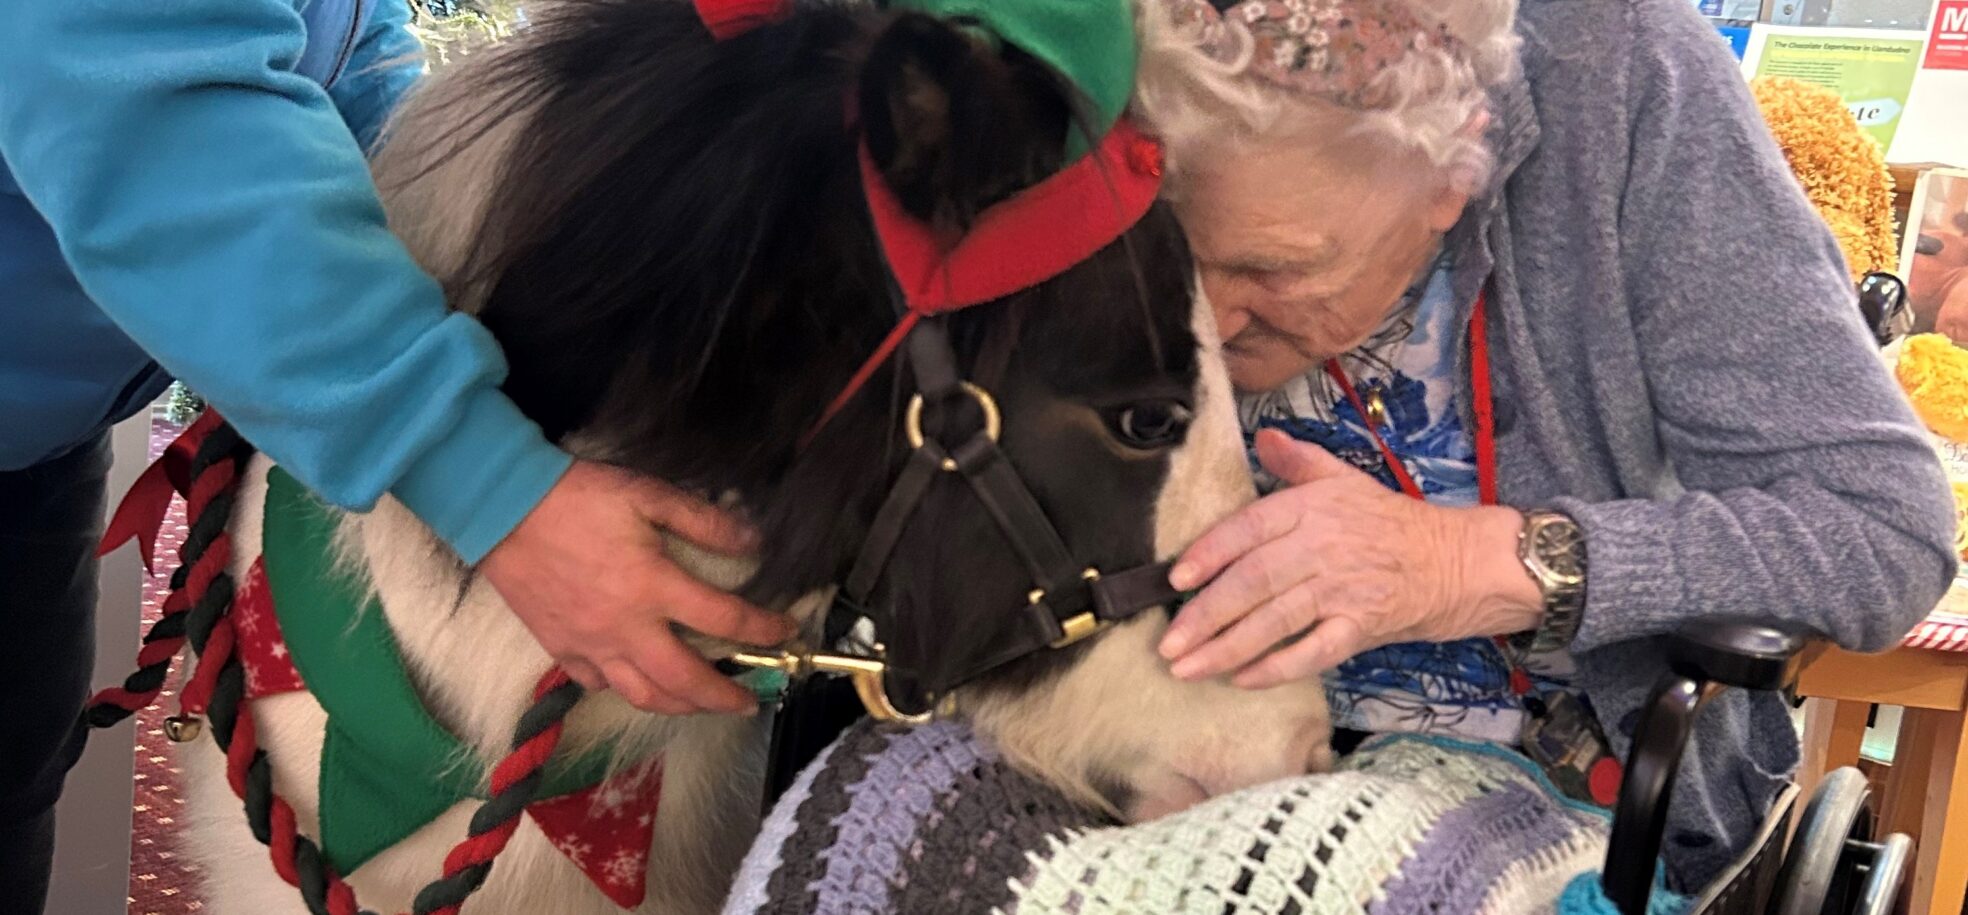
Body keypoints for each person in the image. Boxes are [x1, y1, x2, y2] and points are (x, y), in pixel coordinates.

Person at [1133, 0, 1958, 891]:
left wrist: (1471, 564)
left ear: (1455, 171)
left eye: (1276, 271)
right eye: (1175, 261)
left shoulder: (1619, 75)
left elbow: (1881, 528)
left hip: (1565, 800)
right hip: (1168, 757)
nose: (1207, 328)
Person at [0, 0, 789, 909]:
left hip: (37, 442)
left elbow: (335, 46)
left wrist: (434, 228)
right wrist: (494, 488)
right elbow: (157, 130)